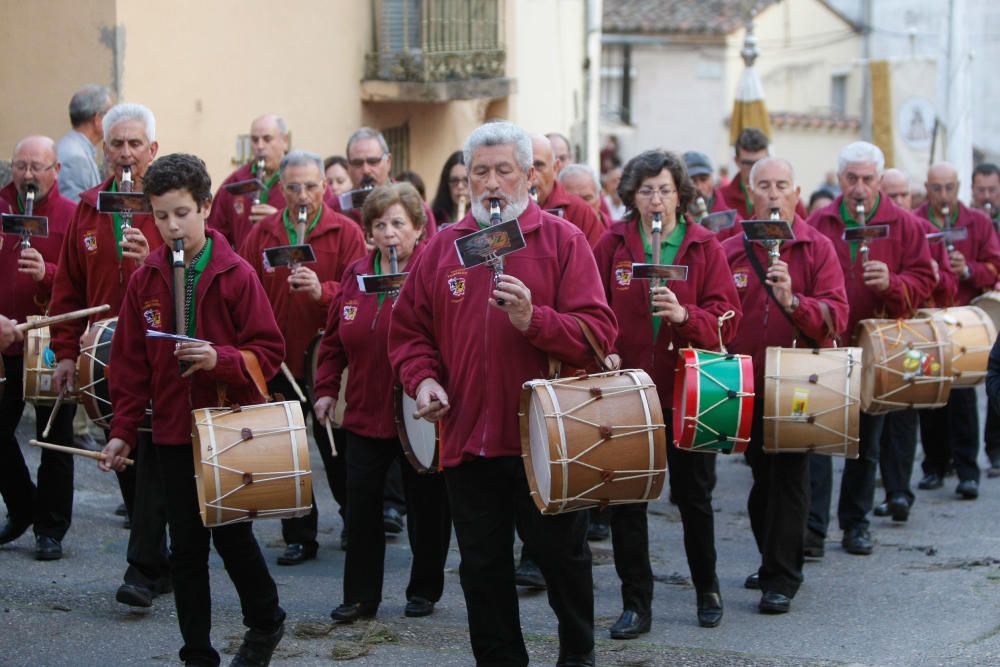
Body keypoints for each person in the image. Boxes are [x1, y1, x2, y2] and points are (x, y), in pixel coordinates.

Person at [388, 121, 617, 667]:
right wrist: (424, 381)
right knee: (482, 569)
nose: (491, 184)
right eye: (480, 173)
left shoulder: (564, 241)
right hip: (468, 438)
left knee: (562, 560)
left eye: (503, 171)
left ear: (528, 176)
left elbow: (599, 332)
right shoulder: (443, 247)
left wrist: (532, 318)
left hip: (547, 439)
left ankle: (577, 655)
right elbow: (409, 333)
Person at [100, 153, 286, 667]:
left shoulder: (236, 274)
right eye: (160, 216)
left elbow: (269, 353)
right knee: (185, 550)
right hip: (171, 436)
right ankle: (197, 654)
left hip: (226, 431)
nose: (171, 226)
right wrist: (121, 432)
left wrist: (219, 359)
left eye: (182, 213)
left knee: (233, 541)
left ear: (205, 207)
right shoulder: (145, 280)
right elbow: (130, 365)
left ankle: (266, 620)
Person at [593, 149, 741, 636]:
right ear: (632, 198)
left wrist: (684, 317)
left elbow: (728, 316)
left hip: (690, 391)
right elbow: (589, 304)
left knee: (694, 496)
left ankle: (707, 587)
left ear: (681, 195)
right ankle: (636, 602)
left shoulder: (704, 246)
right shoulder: (612, 242)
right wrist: (604, 351)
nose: (656, 200)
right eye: (646, 191)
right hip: (628, 390)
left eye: (665, 190)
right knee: (627, 500)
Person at [48, 103, 172, 606]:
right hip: (103, 360)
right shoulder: (89, 206)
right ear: (105, 149)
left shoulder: (169, 204)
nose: (125, 153)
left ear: (152, 150)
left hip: (160, 354)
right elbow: (69, 285)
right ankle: (157, 562)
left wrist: (154, 260)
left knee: (153, 457)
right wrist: (62, 352)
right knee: (124, 460)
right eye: (116, 144)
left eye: (134, 144)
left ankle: (143, 569)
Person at [316, 182, 452, 623]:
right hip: (365, 414)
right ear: (368, 231)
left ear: (418, 229)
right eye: (379, 224)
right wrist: (325, 390)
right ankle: (360, 597)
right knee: (361, 508)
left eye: (398, 223)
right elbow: (334, 343)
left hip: (419, 413)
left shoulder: (433, 274)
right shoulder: (356, 277)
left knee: (427, 505)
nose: (389, 233)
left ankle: (424, 589)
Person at [722, 157, 849, 615]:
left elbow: (837, 314)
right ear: (750, 194)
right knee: (761, 475)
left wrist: (794, 301)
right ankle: (771, 557)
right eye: (764, 186)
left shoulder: (816, 247)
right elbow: (716, 307)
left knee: (790, 477)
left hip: (798, 380)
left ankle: (783, 575)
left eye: (782, 186)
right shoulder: (730, 249)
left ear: (797, 193)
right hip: (745, 383)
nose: (773, 195)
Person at [805, 142, 935, 556]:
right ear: (840, 179)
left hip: (878, 345)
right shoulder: (819, 220)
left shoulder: (905, 224)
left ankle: (856, 522)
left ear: (880, 180)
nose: (859, 189)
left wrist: (893, 283)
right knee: (818, 440)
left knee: (866, 441)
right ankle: (812, 528)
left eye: (867, 179)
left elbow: (924, 281)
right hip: (828, 344)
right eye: (851, 179)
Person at [238, 151, 366, 565]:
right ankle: (298, 535)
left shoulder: (344, 231)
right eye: (292, 187)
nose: (302, 195)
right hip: (277, 358)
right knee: (286, 451)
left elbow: (357, 294)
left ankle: (354, 520)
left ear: (324, 188)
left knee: (336, 447)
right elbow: (243, 287)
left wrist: (322, 292)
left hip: (325, 356)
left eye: (310, 186)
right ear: (281, 190)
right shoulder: (264, 233)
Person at [0, 136, 77, 559]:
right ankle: (24, 505)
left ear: (56, 170)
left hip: (49, 342)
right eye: (20, 166)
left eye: (37, 167)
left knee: (54, 438)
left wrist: (46, 274)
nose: (28, 175)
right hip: (3, 340)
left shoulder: (70, 216)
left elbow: (78, 283)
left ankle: (51, 528)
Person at [912, 162, 1000, 500]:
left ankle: (967, 470)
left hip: (966, 320)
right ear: (928, 187)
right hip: (931, 318)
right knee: (930, 394)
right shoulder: (916, 221)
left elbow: (994, 267)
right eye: (937, 188)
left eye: (950, 187)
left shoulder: (976, 222)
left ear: (959, 186)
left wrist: (969, 270)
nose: (944, 196)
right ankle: (934, 465)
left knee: (963, 397)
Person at [873, 168, 957, 523]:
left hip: (911, 337)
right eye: (891, 195)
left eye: (904, 195)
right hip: (873, 337)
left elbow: (949, 289)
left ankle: (899, 493)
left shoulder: (922, 231)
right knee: (876, 424)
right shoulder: (875, 229)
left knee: (904, 418)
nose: (899, 202)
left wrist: (936, 278)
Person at [339, 127, 438, 237]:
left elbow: (431, 251)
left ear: (388, 161)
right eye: (357, 163)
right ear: (348, 166)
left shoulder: (414, 205)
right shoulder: (336, 208)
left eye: (373, 161)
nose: (366, 170)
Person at [719, 128, 807, 229]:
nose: (754, 168)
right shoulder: (721, 198)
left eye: (760, 162)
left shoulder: (790, 200)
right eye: (747, 163)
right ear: (736, 161)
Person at [529, 134, 605, 247]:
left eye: (539, 165)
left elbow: (595, 261)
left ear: (555, 168)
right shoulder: (503, 207)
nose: (532, 174)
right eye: (524, 166)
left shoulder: (580, 211)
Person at [56, 84, 112, 203]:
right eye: (110, 114)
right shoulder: (76, 159)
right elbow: (73, 211)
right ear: (97, 119)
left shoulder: (76, 148)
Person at [682, 151, 731, 221]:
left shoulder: (729, 219)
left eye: (703, 179)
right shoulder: (672, 220)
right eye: (692, 181)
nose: (698, 187)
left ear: (712, 179)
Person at [430, 150, 468, 226]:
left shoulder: (485, 218)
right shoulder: (435, 218)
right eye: (454, 180)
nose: (460, 186)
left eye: (466, 180)